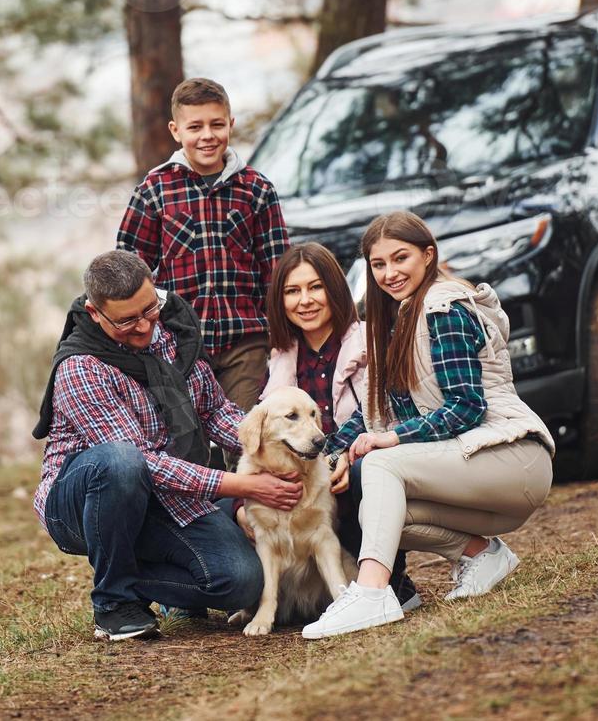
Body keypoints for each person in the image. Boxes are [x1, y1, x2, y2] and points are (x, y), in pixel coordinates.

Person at [301, 211, 556, 640]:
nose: (390, 273)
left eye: (400, 258)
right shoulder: (395, 322)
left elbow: (466, 407)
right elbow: (373, 415)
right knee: (379, 508)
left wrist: (390, 440)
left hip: (513, 457)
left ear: (428, 255)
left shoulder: (444, 308)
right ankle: (481, 554)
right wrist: (334, 455)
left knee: (381, 466)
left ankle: (373, 593)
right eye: (378, 264)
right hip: (470, 464)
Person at [32, 250, 304, 641]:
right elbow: (143, 463)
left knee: (243, 582)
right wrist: (241, 485)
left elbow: (215, 412)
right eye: (127, 320)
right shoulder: (82, 367)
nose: (144, 328)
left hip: (168, 498)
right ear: (95, 313)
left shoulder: (174, 334)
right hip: (84, 502)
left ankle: (140, 571)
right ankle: (114, 601)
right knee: (122, 462)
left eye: (149, 310)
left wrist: (280, 440)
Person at [248, 241, 419, 611]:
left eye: (315, 287)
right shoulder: (280, 359)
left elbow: (382, 407)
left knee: (362, 472)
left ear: (335, 289)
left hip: (360, 461)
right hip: (304, 481)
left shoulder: (371, 340)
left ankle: (392, 582)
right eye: (292, 291)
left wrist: (338, 452)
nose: (304, 301)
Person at [116, 78, 290, 417]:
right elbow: (129, 267)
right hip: (180, 345)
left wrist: (281, 336)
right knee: (190, 442)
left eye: (216, 124)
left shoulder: (256, 189)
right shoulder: (155, 190)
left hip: (246, 340)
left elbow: (277, 268)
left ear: (231, 124)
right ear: (176, 130)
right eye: (195, 126)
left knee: (242, 434)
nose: (207, 136)